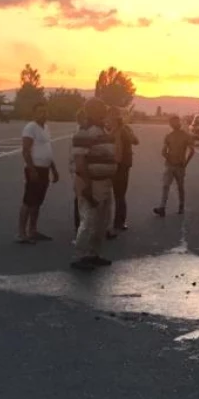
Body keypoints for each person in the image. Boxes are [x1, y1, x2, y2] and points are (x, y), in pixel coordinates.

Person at [71, 97, 118, 271]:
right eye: (101, 110)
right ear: (91, 112)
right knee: (88, 220)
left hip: (105, 183)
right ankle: (80, 256)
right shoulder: (84, 132)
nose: (104, 113)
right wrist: (87, 187)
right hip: (91, 183)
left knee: (101, 221)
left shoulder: (104, 131)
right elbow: (80, 162)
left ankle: (93, 254)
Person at [17, 102, 59, 244]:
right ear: (34, 113)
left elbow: (47, 149)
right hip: (34, 169)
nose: (43, 114)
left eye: (45, 112)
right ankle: (21, 233)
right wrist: (31, 169)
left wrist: (53, 169)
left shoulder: (46, 128)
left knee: (38, 202)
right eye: (40, 112)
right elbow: (25, 150)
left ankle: (33, 230)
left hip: (45, 169)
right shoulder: (30, 128)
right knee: (28, 201)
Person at [107, 109, 139, 237]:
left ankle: (117, 224)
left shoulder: (120, 131)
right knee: (120, 195)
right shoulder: (122, 129)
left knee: (117, 195)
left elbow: (120, 150)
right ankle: (120, 222)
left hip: (119, 166)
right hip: (123, 166)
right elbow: (136, 141)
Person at [154, 116, 194, 217]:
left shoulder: (185, 136)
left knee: (179, 187)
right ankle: (162, 207)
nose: (174, 124)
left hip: (179, 165)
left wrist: (185, 163)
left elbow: (192, 151)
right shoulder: (169, 136)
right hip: (171, 165)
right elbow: (163, 151)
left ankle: (181, 206)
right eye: (173, 123)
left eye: (176, 122)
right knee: (166, 185)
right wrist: (168, 158)